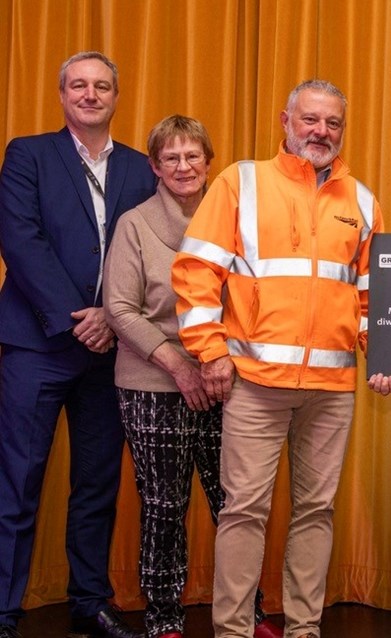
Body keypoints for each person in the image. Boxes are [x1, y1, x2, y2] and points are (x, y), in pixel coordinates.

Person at [172, 79, 391, 638]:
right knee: (243, 512)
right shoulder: (241, 181)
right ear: (285, 121)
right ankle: (232, 631)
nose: (321, 132)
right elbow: (198, 272)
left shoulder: (362, 201)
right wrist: (210, 352)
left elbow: (373, 297)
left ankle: (303, 629)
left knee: (316, 512)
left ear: (344, 129)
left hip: (331, 389)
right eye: (310, 120)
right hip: (253, 384)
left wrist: (388, 355)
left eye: (333, 123)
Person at [103, 115, 282, 638]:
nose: (184, 167)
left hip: (228, 380)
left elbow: (255, 299)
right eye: (171, 158)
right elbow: (120, 308)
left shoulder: (239, 222)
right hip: (153, 381)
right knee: (163, 505)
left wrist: (217, 361)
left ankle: (247, 612)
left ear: (209, 162)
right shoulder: (134, 224)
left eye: (193, 156)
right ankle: (163, 619)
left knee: (236, 502)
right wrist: (180, 364)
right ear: (155, 167)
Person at [0, 51, 155, 638]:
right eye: (79, 85)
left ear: (116, 95)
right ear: (62, 93)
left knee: (96, 483)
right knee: (18, 479)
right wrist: (78, 319)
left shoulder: (144, 169)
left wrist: (113, 319)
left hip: (114, 349)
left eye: (102, 86)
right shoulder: (28, 154)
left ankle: (89, 602)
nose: (90, 95)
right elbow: (20, 239)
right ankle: (3, 611)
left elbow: (157, 253)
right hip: (38, 344)